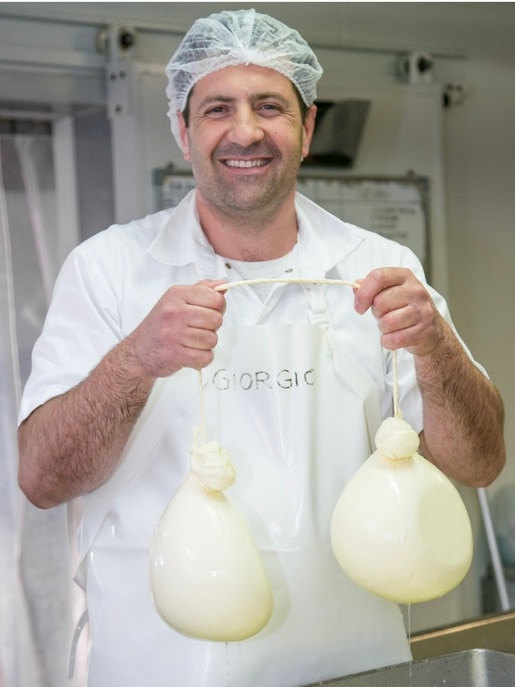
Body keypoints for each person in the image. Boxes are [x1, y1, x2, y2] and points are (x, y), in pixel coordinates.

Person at [18, 8, 505, 687]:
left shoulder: (379, 263)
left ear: (305, 129)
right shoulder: (110, 270)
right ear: (182, 132)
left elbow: (480, 461)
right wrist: (139, 359)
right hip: (160, 667)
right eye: (217, 107)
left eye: (269, 106)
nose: (244, 131)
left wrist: (438, 348)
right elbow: (42, 478)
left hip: (352, 665)